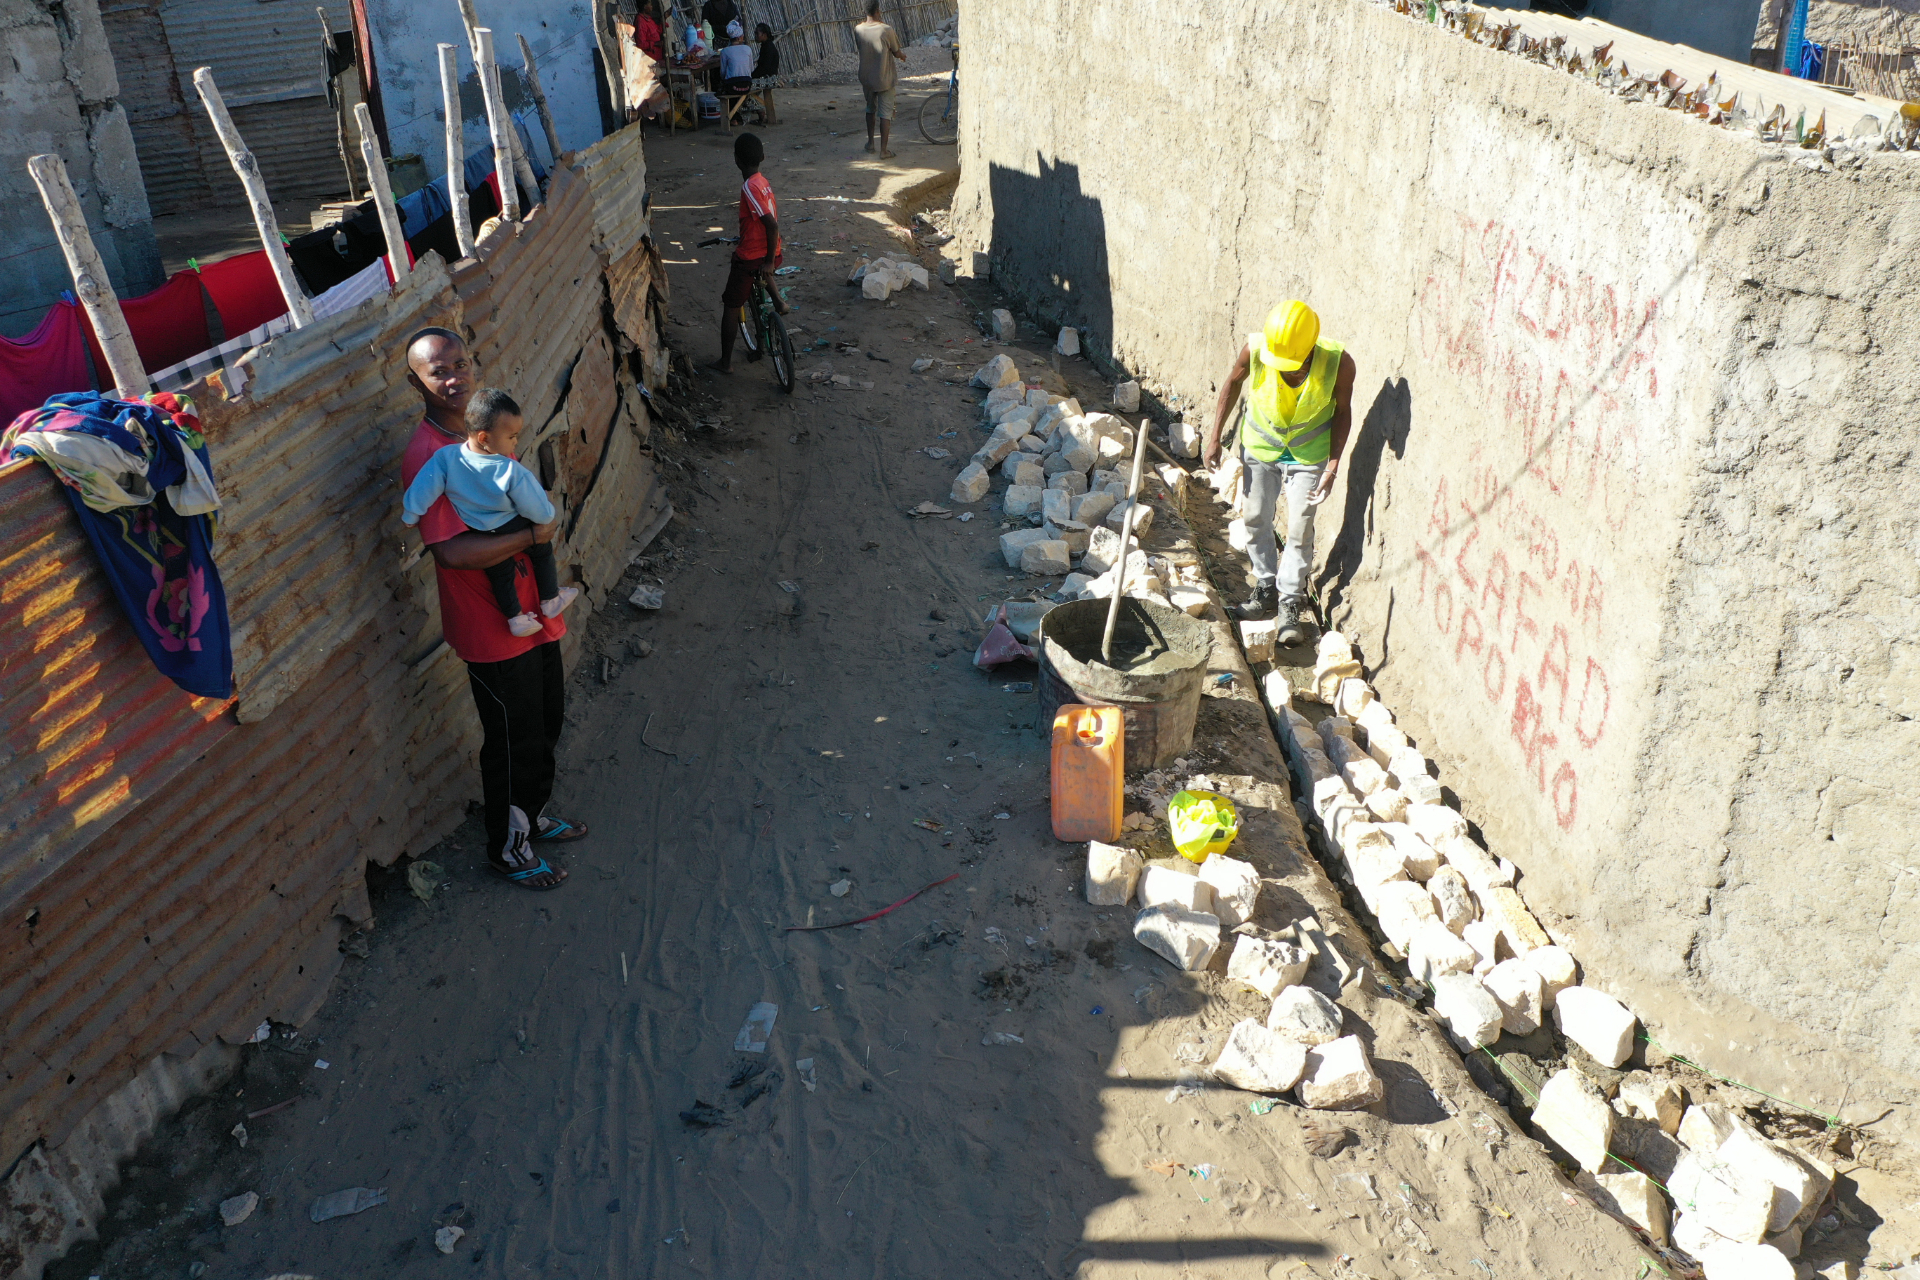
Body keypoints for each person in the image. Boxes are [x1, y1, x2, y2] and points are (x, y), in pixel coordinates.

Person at [401, 329, 587, 890]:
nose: (453, 377)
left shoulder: (484, 432)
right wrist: (533, 533)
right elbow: (452, 553)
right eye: (439, 371)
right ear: (417, 383)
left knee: (547, 719)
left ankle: (530, 817)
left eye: (460, 363)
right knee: (512, 740)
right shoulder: (427, 454)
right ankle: (508, 849)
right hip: (490, 626)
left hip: (533, 612)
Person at [1202, 300, 1356, 646]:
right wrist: (1214, 438)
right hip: (1260, 447)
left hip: (1309, 454)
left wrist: (1332, 465)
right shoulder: (1257, 349)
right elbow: (1232, 385)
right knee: (1255, 517)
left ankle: (1289, 604)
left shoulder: (1339, 363)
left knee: (1301, 527)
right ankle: (1265, 587)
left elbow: (1343, 411)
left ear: (1310, 348)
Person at [402, 387, 579, 638]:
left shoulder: (445, 458)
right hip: (512, 524)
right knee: (541, 551)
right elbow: (534, 505)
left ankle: (516, 618)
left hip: (480, 531)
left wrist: (411, 515)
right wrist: (545, 519)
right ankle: (551, 599)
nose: (515, 442)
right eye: (512, 436)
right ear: (484, 437)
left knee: (500, 573)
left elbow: (422, 489)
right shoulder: (509, 469)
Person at [711, 133, 786, 373]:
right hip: (773, 251)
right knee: (763, 273)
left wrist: (766, 260)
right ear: (762, 157)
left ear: (736, 160)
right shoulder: (763, 182)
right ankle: (777, 301)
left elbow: (771, 225)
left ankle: (725, 363)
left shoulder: (749, 187)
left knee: (732, 305)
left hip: (755, 255)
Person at [854, 0, 906, 157]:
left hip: (866, 78)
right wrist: (903, 56)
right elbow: (896, 52)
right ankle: (884, 151)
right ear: (878, 10)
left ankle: (870, 143)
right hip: (884, 79)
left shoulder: (858, 29)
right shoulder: (886, 30)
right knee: (885, 113)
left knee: (870, 109)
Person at [752, 22, 780, 124]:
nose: (755, 35)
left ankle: (760, 111)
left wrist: (751, 76)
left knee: (745, 89)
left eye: (756, 33)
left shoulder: (767, 48)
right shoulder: (766, 46)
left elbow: (764, 68)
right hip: (769, 77)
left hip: (769, 79)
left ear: (764, 34)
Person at [718, 26, 755, 96]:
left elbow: (722, 73)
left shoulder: (725, 51)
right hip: (747, 85)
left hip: (731, 86)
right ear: (739, 38)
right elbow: (751, 69)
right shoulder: (748, 49)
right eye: (742, 36)